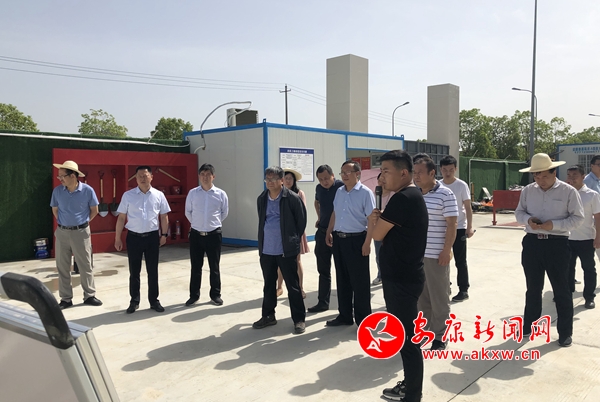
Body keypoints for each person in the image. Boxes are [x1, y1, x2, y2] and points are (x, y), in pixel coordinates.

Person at [368, 150, 428, 402]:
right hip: (405, 276)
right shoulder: (410, 195)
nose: (382, 177)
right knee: (405, 337)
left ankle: (412, 394)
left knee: (407, 340)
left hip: (401, 280)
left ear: (404, 173)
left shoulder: (402, 199)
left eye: (386, 171)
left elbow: (377, 235)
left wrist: (373, 221)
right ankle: (410, 384)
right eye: (381, 171)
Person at [515, 153, 584, 347]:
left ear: (554, 173)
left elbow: (577, 218)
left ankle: (565, 333)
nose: (540, 180)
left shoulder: (568, 192)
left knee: (561, 290)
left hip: (557, 244)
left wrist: (553, 225)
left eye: (544, 176)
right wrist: (528, 220)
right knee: (533, 288)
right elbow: (519, 212)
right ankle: (529, 325)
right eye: (536, 176)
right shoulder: (528, 191)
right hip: (532, 244)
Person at [254, 166, 307, 334]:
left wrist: (292, 241)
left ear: (282, 180)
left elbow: (301, 222)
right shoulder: (262, 198)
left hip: (286, 250)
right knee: (269, 285)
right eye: (267, 179)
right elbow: (262, 219)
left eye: (273, 179)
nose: (269, 182)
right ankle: (268, 316)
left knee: (293, 286)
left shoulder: (292, 198)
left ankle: (299, 319)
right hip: (267, 250)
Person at [413, 154, 458, 351]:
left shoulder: (445, 194)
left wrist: (446, 250)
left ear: (432, 173)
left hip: (436, 255)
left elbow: (452, 224)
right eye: (414, 173)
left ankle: (440, 336)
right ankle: (424, 331)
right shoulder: (414, 194)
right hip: (417, 255)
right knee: (421, 298)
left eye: (420, 173)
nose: (416, 176)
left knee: (439, 297)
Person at [325, 160, 375, 326]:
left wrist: (367, 243)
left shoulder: (365, 193)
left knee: (359, 282)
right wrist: (329, 231)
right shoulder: (339, 191)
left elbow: (371, 219)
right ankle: (345, 315)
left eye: (348, 172)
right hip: (339, 239)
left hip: (357, 240)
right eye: (342, 172)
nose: (344, 175)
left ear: (357, 174)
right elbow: (335, 212)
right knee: (342, 279)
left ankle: (364, 320)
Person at [115, 166, 171, 314]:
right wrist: (117, 238)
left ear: (151, 177)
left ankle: (154, 301)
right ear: (135, 178)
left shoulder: (159, 195)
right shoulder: (128, 195)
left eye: (145, 175)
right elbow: (121, 218)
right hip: (133, 237)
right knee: (134, 272)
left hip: (152, 237)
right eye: (139, 176)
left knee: (153, 271)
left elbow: (164, 216)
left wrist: (164, 235)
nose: (142, 178)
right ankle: (134, 301)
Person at [50, 160, 102, 309]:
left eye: (62, 176)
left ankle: (89, 295)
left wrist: (82, 223)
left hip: (81, 232)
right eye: (59, 176)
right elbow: (55, 210)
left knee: (85, 265)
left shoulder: (87, 190)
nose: (60, 179)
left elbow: (95, 210)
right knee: (62, 266)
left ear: (72, 176)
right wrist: (64, 223)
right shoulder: (57, 191)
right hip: (62, 232)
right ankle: (66, 299)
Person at [184, 163, 229, 307]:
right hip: (196, 234)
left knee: (214, 267)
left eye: (208, 174)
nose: (205, 177)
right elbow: (188, 212)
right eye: (202, 174)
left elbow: (224, 212)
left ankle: (215, 295)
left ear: (213, 176)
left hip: (213, 234)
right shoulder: (193, 193)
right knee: (195, 267)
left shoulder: (220, 194)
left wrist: (212, 224)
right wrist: (197, 224)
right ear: (199, 176)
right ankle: (194, 295)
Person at [307, 165, 344, 313]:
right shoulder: (319, 188)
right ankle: (323, 302)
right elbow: (316, 202)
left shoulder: (341, 187)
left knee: (343, 271)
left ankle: (347, 304)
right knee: (323, 270)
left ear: (333, 175)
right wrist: (319, 217)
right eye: (321, 179)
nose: (324, 182)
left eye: (327, 178)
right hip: (322, 233)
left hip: (339, 234)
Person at [439, 155, 475, 302]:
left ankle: (463, 290)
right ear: (440, 170)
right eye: (445, 170)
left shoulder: (461, 185)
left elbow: (468, 207)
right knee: (441, 258)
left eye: (451, 170)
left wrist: (469, 227)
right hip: (442, 227)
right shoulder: (438, 185)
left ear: (456, 169)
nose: (448, 173)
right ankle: (445, 286)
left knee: (460, 260)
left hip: (459, 227)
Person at [565, 165, 598, 309]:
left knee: (588, 268)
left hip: (586, 238)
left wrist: (598, 237)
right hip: (566, 238)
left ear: (583, 176)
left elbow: (598, 217)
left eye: (575, 176)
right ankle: (566, 294)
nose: (571, 178)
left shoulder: (592, 195)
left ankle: (589, 297)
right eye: (569, 175)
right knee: (567, 268)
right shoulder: (564, 193)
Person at [276, 169, 309, 299]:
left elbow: (302, 214)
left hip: (295, 233)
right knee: (280, 261)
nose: (288, 181)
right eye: (286, 178)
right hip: (281, 233)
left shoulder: (299, 194)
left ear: (294, 180)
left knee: (297, 260)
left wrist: (296, 233)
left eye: (290, 178)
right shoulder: (278, 194)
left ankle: (300, 288)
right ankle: (279, 287)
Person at [372, 173, 395, 286]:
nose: (381, 183)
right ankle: (380, 275)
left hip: (390, 230)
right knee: (379, 254)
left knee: (391, 254)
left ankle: (391, 275)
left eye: (383, 180)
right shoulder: (374, 195)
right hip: (377, 228)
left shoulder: (394, 195)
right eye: (379, 180)